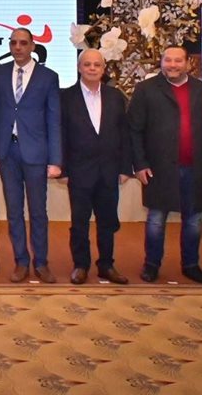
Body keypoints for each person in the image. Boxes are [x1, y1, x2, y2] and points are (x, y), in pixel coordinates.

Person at [128, 45, 202, 284]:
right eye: (167, 60)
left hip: (195, 167)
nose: (172, 65)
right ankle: (151, 264)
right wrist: (140, 164)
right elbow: (134, 130)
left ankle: (191, 265)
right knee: (156, 219)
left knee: (194, 219)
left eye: (178, 60)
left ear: (188, 63)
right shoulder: (146, 89)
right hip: (158, 168)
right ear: (161, 62)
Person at [0, 28, 62, 283]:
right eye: (14, 43)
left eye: (23, 43)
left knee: (38, 211)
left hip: (36, 152)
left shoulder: (48, 77)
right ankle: (21, 261)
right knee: (14, 211)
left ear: (32, 46)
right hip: (7, 152)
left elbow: (54, 119)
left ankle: (41, 262)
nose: (18, 47)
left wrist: (55, 159)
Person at [60, 49, 132, 285]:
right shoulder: (65, 97)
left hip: (108, 171)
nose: (92, 68)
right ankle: (80, 265)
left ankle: (106, 265)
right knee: (79, 223)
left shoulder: (115, 96)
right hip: (78, 171)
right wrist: (63, 169)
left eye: (97, 65)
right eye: (87, 64)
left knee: (107, 222)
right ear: (79, 68)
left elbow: (124, 134)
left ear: (103, 69)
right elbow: (60, 135)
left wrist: (125, 168)